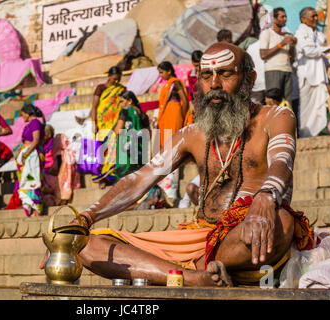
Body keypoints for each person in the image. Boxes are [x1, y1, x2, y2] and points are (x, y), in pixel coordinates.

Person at [41, 42, 314, 287]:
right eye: (206, 76)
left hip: (243, 237)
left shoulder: (275, 116)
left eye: (226, 74)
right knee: (86, 245)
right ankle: (196, 277)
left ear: (249, 79)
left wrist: (266, 197)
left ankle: (172, 273)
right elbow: (139, 180)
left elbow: (282, 162)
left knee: (281, 221)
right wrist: (84, 219)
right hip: (196, 240)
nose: (214, 84)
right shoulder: (190, 134)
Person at [294, 7, 330, 137]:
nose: (316, 18)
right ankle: (305, 135)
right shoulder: (300, 33)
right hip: (307, 77)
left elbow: (321, 59)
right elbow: (310, 52)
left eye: (316, 16)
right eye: (313, 16)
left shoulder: (317, 34)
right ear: (303, 19)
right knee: (306, 110)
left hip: (319, 77)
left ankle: (317, 133)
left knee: (319, 107)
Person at [157, 61, 189, 203]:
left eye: (162, 72)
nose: (161, 75)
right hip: (167, 118)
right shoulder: (167, 84)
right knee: (167, 151)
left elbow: (185, 101)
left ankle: (172, 191)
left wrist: (181, 117)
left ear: (169, 71)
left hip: (175, 115)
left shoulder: (175, 83)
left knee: (172, 150)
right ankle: (167, 191)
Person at [90, 66, 127, 189]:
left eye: (118, 79)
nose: (116, 82)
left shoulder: (121, 89)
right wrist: (93, 122)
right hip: (102, 124)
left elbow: (125, 104)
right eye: (114, 79)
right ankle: (102, 178)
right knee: (102, 151)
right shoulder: (101, 88)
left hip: (116, 123)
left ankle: (111, 176)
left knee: (114, 150)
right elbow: (94, 106)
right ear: (109, 76)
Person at [259, 7, 296, 107]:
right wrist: (282, 43)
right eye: (282, 16)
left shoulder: (288, 35)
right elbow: (263, 55)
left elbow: (292, 58)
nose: (285, 19)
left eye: (286, 16)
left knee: (287, 104)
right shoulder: (267, 33)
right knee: (273, 102)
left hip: (287, 70)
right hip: (273, 70)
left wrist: (293, 45)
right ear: (274, 19)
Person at [14, 104, 46, 217]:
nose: (22, 118)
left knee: (32, 182)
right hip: (29, 157)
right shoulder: (31, 123)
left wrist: (25, 154)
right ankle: (32, 208)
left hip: (32, 157)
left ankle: (36, 209)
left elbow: (36, 140)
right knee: (27, 182)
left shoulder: (34, 122)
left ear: (28, 113)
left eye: (23, 115)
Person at [114, 91, 151, 180]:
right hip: (140, 149)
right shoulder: (142, 114)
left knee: (125, 177)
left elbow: (118, 130)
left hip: (127, 151)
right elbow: (148, 132)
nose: (121, 104)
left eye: (122, 101)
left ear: (130, 101)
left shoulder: (125, 111)